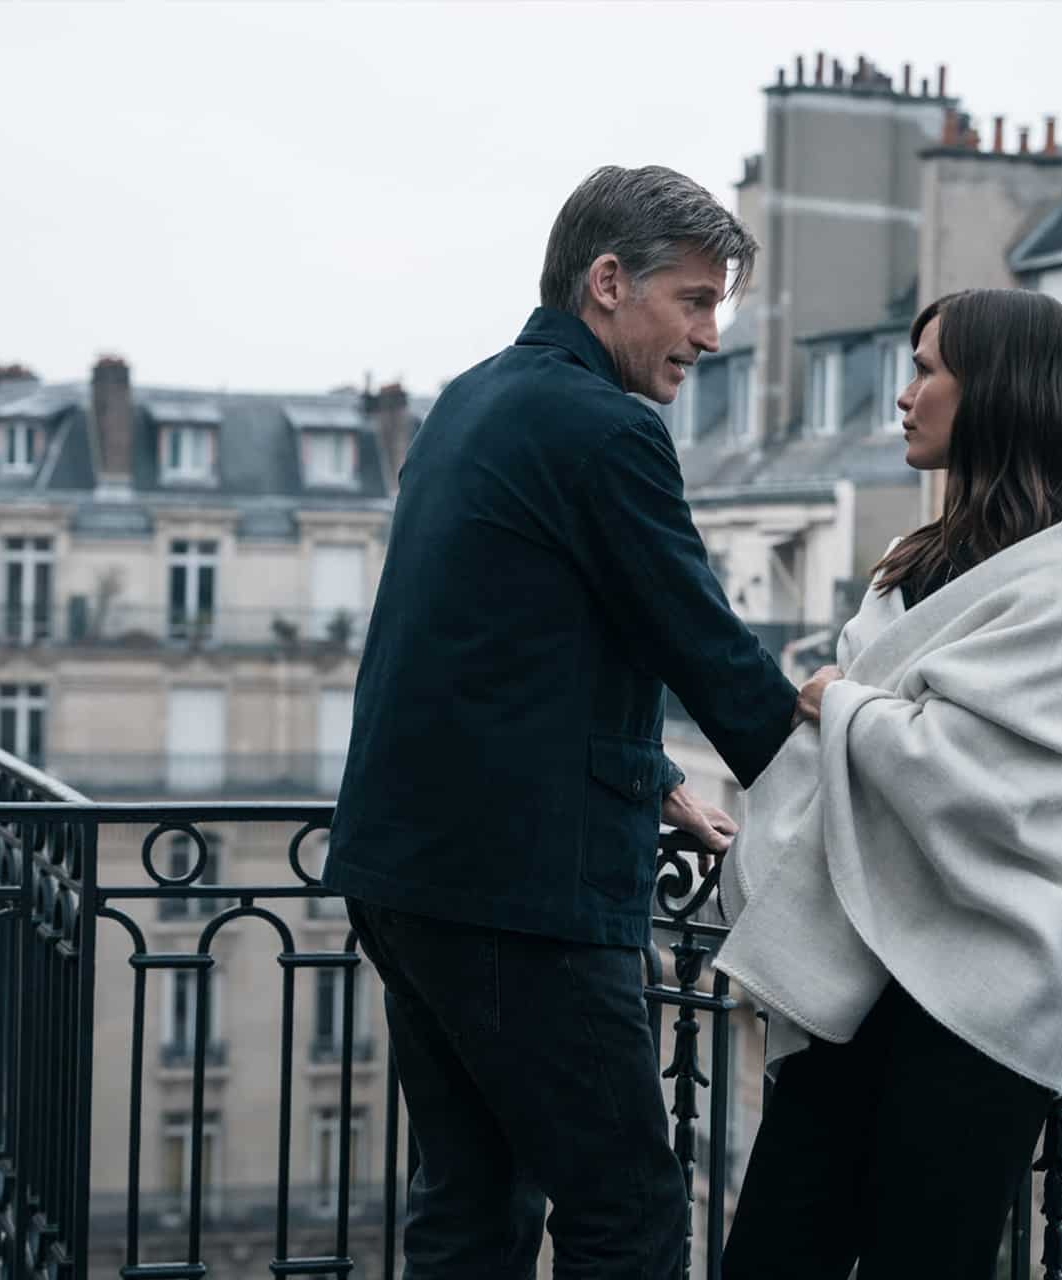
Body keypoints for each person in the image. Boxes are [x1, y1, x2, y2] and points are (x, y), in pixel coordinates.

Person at [324, 164, 837, 1279]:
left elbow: (497, 645)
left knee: (471, 1203)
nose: (710, 336)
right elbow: (696, 635)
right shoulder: (605, 428)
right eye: (694, 300)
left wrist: (651, 778)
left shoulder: (472, 398)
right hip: (521, 893)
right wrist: (831, 753)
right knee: (629, 1213)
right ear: (609, 282)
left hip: (403, 871)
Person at [716, 288, 1062, 1277]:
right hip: (853, 971)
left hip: (973, 989)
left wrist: (841, 704)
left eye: (926, 369)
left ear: (995, 388)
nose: (904, 396)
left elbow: (984, 780)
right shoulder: (918, 559)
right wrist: (843, 712)